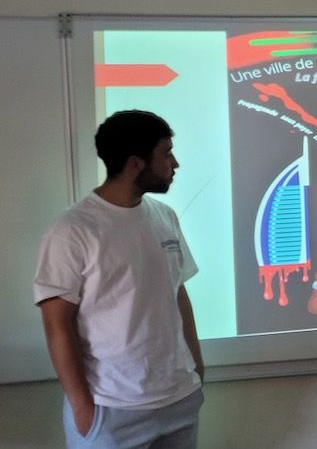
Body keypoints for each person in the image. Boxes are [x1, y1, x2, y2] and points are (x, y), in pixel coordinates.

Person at [33, 110, 204, 448]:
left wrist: (197, 368)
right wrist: (83, 407)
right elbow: (57, 324)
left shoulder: (164, 216)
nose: (175, 164)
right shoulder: (72, 230)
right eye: (166, 154)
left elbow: (177, 294)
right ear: (135, 164)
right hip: (111, 410)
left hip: (180, 398)